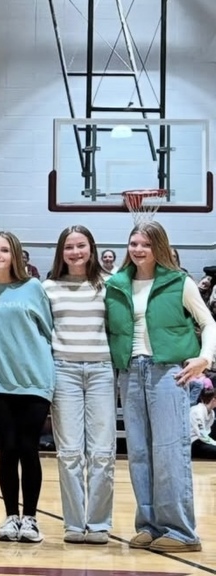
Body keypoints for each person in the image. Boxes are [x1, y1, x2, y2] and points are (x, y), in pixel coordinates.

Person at [104, 220, 216, 553]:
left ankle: (181, 531)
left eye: (146, 244)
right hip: (130, 372)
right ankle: (150, 526)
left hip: (167, 372)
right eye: (133, 243)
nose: (138, 249)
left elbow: (207, 322)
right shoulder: (117, 283)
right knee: (139, 453)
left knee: (169, 452)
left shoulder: (178, 282)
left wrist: (204, 358)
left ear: (159, 248)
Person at [42, 226, 115, 545]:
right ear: (61, 252)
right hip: (64, 371)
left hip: (100, 370)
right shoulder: (48, 287)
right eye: (69, 247)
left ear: (91, 248)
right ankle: (74, 523)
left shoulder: (109, 284)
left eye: (81, 245)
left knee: (101, 452)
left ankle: (98, 523)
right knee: (69, 452)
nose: (75, 252)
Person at [0, 231, 54, 543]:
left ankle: (31, 519)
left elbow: (48, 331)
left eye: (4, 250)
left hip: (35, 379)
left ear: (15, 255)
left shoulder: (32, 287)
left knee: (29, 449)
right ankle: (11, 518)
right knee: (7, 449)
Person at [190, 380, 216, 458]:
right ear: (214, 400)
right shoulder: (197, 411)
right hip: (194, 442)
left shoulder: (211, 413)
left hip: (203, 440)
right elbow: (201, 434)